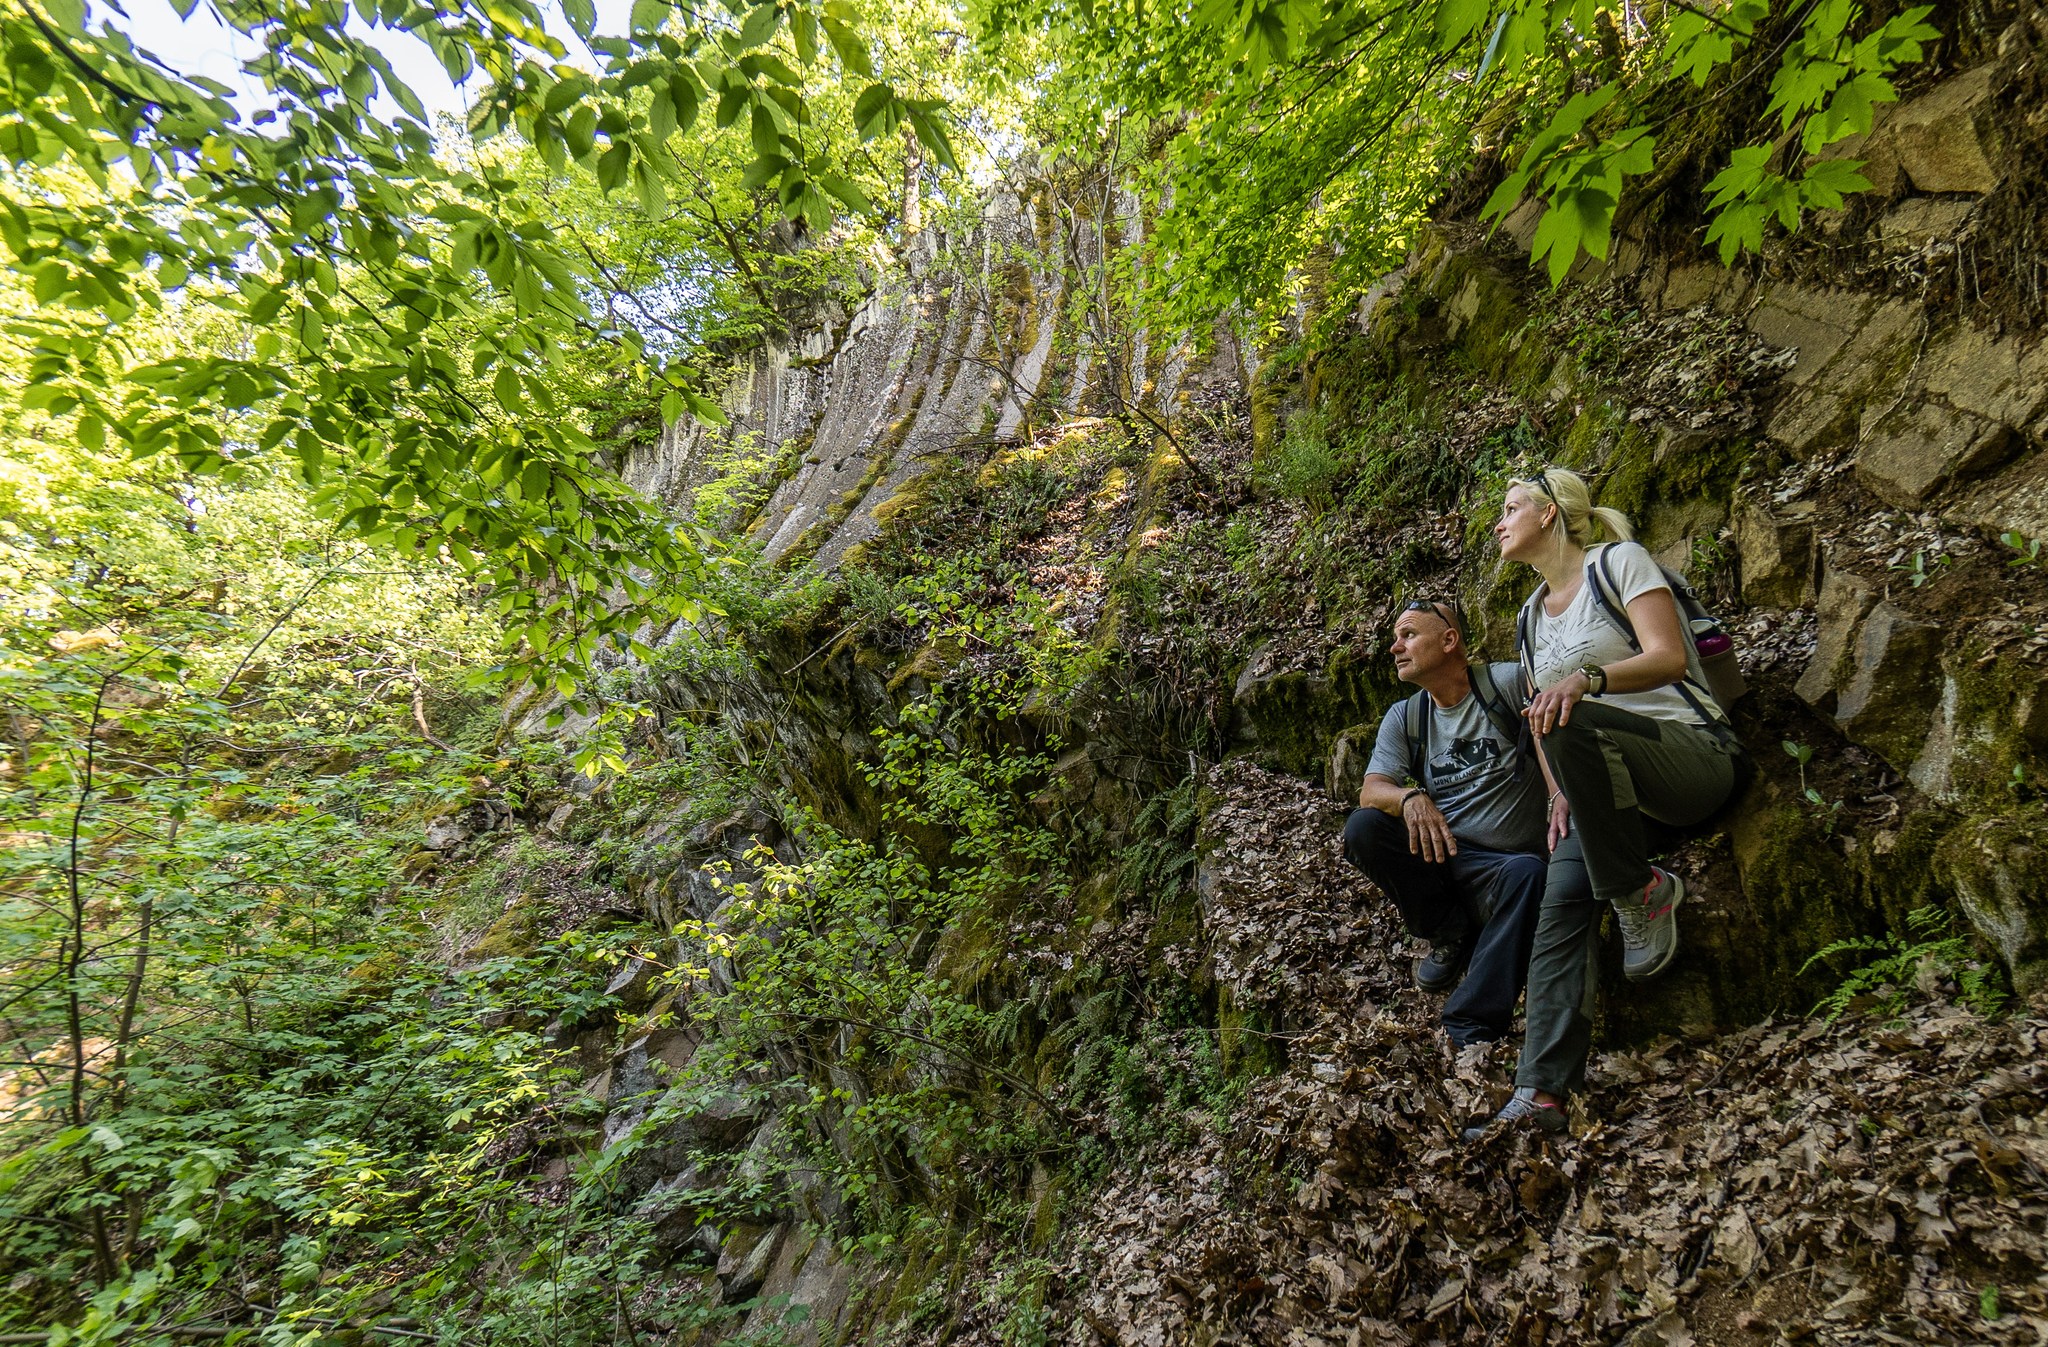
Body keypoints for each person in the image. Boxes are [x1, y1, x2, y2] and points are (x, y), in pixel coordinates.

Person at [1462, 466, 1744, 1140]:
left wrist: (1587, 680)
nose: (1499, 522)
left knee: (1566, 713)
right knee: (1560, 893)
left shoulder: (1618, 563)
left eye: (1510, 508)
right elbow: (1539, 718)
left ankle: (1640, 889)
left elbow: (1669, 657)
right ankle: (1541, 1093)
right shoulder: (1530, 618)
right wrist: (1561, 795)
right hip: (1608, 789)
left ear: (1551, 513)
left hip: (1690, 755)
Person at [1341, 599, 1571, 1049]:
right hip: (1445, 857)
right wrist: (1409, 797)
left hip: (1508, 866)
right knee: (1364, 828)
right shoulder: (1406, 716)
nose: (1395, 647)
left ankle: (1470, 1024)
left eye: (1409, 635)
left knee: (1530, 873)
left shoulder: (1504, 684)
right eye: (1395, 637)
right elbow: (1371, 791)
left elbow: (1546, 737)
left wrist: (1559, 794)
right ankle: (1449, 933)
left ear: (1449, 640)